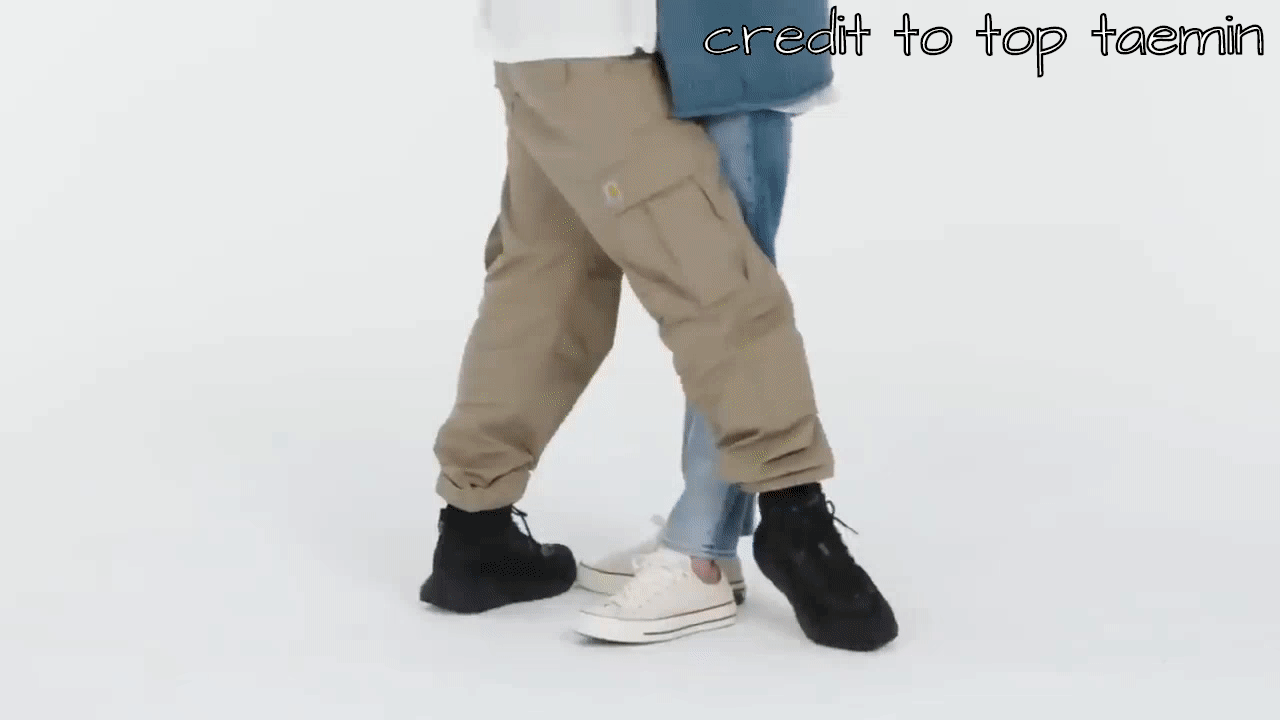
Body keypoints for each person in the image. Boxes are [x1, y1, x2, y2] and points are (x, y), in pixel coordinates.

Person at [420, 0, 897, 653]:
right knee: (711, 278)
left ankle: (474, 531)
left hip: (535, 44)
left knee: (546, 282)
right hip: (611, 41)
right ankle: (791, 521)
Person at [572, 1, 898, 651]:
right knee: (714, 288)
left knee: (727, 289)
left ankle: (701, 552)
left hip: (737, 40)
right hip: (693, 43)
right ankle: (708, 539)